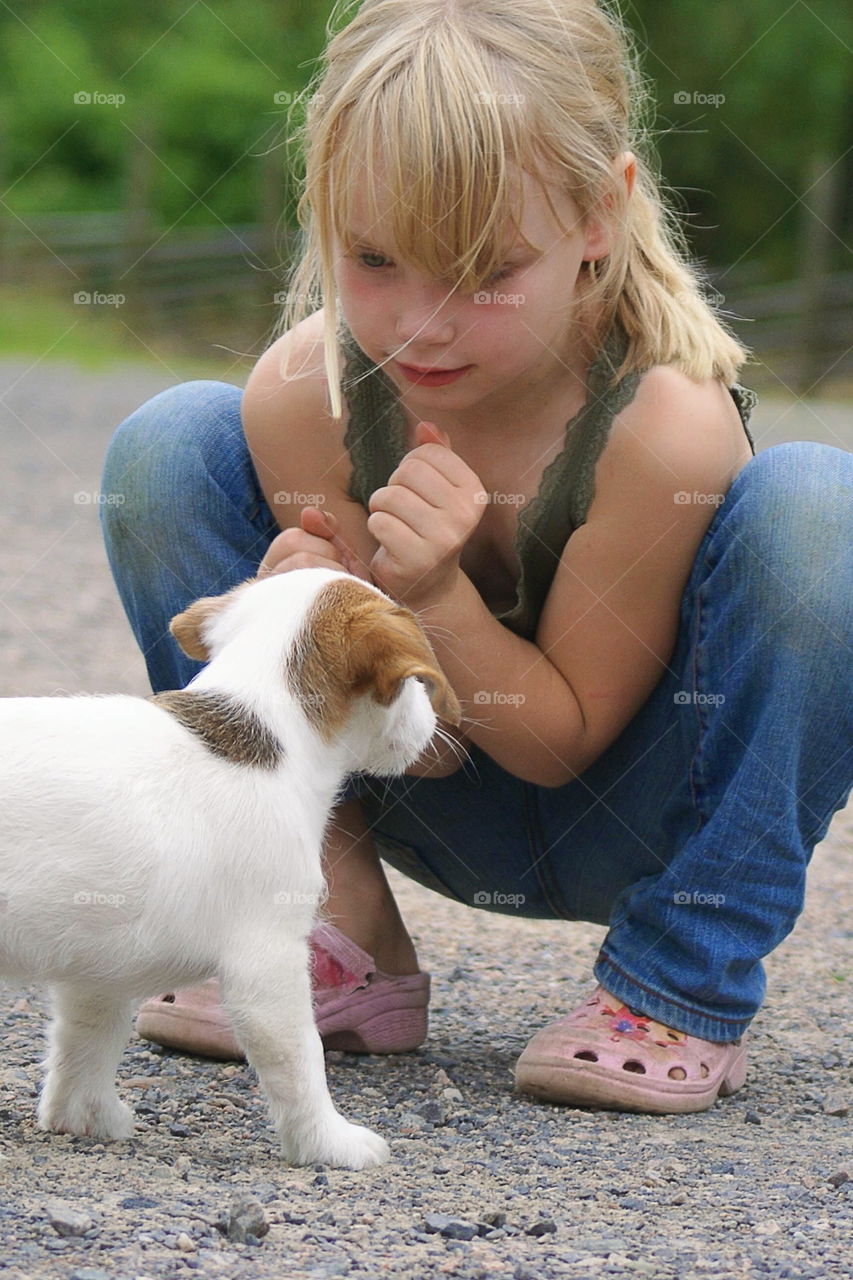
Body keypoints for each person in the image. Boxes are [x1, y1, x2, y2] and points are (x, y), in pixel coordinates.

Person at [100, 0, 853, 1114]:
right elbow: (434, 753)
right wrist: (304, 641)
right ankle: (324, 926)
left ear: (602, 213)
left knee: (823, 509)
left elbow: (555, 752)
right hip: (420, 784)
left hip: (633, 806)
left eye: (483, 270)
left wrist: (426, 593)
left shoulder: (662, 425)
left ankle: (677, 982)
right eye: (373, 258)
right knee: (165, 444)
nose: (419, 324)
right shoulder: (310, 395)